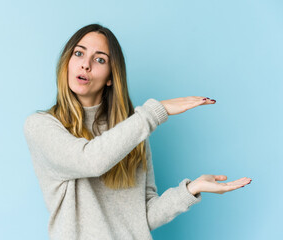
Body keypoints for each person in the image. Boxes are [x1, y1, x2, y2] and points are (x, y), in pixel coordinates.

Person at [23, 23, 252, 240]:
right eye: (79, 54)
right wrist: (156, 111)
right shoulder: (41, 126)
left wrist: (191, 189)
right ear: (67, 62)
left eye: (100, 59)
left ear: (111, 77)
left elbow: (143, 217)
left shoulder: (132, 130)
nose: (86, 64)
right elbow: (90, 160)